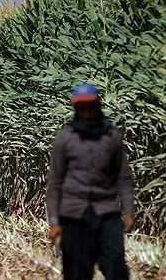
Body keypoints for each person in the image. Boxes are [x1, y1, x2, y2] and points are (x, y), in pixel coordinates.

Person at [46, 83, 134, 279]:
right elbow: (55, 183)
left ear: (98, 105)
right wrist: (54, 222)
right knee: (77, 272)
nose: (86, 112)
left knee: (116, 267)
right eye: (81, 108)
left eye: (90, 107)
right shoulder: (65, 139)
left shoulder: (112, 138)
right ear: (75, 109)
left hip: (106, 211)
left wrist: (128, 211)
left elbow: (123, 178)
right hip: (74, 214)